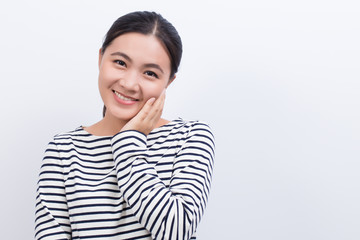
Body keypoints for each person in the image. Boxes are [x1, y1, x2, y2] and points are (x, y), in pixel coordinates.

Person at [35, 11, 215, 240]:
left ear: (168, 82)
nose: (129, 84)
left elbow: (177, 232)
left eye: (150, 73)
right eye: (120, 62)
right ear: (101, 58)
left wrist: (128, 143)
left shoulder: (190, 137)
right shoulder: (63, 149)